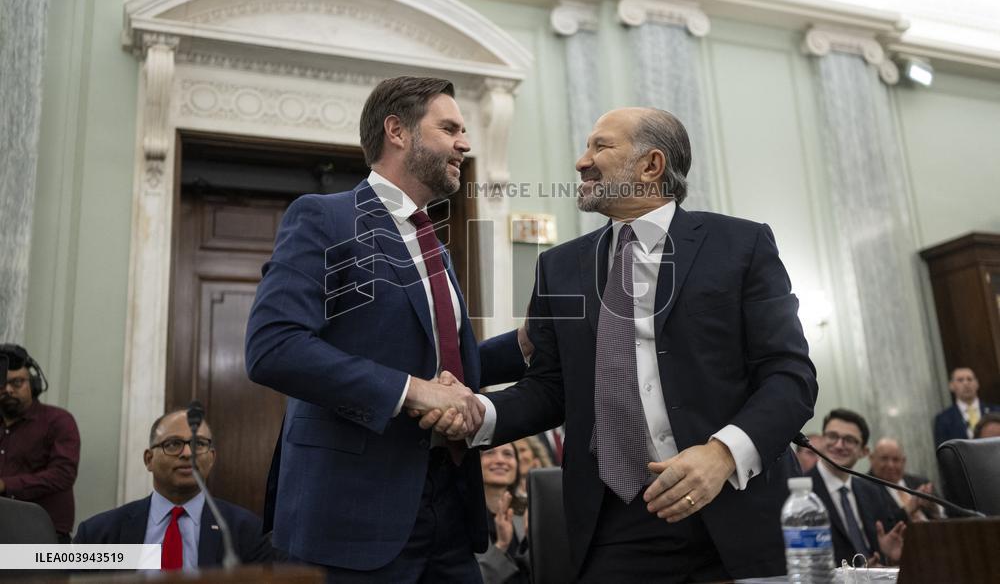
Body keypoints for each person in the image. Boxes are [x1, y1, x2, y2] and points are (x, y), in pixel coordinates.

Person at [424, 107, 818, 581]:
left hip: (739, 509)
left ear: (652, 165)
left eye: (600, 146)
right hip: (617, 522)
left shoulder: (740, 245)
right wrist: (475, 413)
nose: (582, 161)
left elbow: (790, 377)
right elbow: (549, 388)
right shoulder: (559, 267)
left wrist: (721, 455)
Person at [244, 76, 528, 580]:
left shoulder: (434, 243)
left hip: (450, 512)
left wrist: (526, 345)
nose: (465, 143)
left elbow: (446, 370)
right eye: (449, 129)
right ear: (397, 131)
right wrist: (413, 391)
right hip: (351, 518)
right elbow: (274, 347)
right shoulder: (324, 219)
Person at [74, 409, 272, 569]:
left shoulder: (247, 532)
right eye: (173, 444)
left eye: (198, 444)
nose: (187, 453)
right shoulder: (97, 534)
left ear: (211, 458)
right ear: (149, 459)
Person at [0, 344, 80, 543]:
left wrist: (6, 485)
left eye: (17, 382)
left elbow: (63, 474)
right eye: (2, 383)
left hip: (41, 535)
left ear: (33, 384)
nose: (8, 390)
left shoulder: (58, 421)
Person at [809, 409, 907, 567]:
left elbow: (887, 551)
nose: (839, 445)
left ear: (864, 452)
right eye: (832, 436)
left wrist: (888, 556)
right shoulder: (802, 493)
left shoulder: (872, 491)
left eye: (849, 440)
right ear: (820, 441)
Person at [477, 443, 530, 584]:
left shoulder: (528, 511)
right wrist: (501, 545)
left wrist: (531, 542)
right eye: (489, 453)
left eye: (508, 454)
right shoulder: (460, 517)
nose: (500, 460)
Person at [867, 437, 941, 521]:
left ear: (904, 461)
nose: (890, 465)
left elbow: (947, 514)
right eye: (884, 459)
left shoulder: (920, 483)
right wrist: (908, 509)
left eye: (896, 460)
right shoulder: (865, 488)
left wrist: (933, 507)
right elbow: (880, 522)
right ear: (871, 459)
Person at [933, 367, 1000, 446]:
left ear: (977, 383)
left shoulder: (996, 411)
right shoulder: (943, 419)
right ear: (951, 386)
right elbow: (944, 450)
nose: (966, 383)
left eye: (969, 379)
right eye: (960, 380)